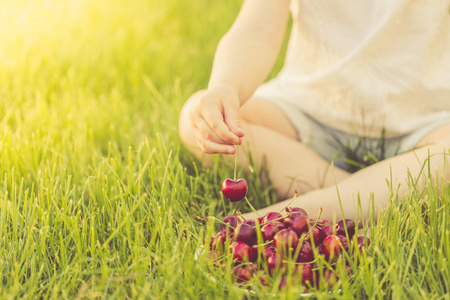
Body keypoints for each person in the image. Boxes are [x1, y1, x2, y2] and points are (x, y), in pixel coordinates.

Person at [178, 0, 450, 222]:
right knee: (196, 120)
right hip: (309, 107)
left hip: (425, 120)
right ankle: (371, 195)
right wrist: (226, 86)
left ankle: (278, 219)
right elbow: (256, 31)